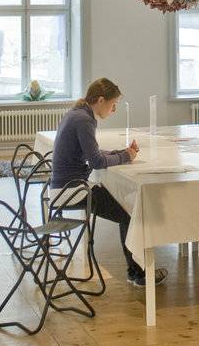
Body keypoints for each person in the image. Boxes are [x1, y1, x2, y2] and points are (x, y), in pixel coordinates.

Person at [48, 77, 166, 287]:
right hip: (72, 190)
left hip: (63, 187)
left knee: (126, 207)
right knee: (130, 212)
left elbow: (92, 154)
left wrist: (120, 153)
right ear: (101, 100)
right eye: (114, 105)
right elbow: (96, 161)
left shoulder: (77, 114)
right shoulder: (84, 120)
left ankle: (136, 271)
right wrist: (126, 156)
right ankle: (138, 273)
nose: (114, 110)